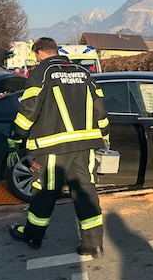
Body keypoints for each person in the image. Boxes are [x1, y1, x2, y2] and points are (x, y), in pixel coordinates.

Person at [8, 37, 110, 258]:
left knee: (45, 191)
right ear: (57, 51)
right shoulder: (84, 73)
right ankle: (94, 244)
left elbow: (29, 109)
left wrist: (16, 137)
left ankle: (33, 236)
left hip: (52, 146)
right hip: (86, 146)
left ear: (39, 53)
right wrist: (105, 135)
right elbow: (100, 108)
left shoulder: (41, 73)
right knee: (86, 192)